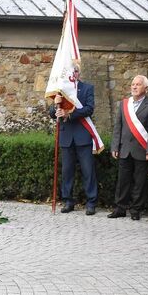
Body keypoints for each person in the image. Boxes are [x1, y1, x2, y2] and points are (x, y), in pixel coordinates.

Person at [109, 74, 148, 220]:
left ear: (146, 88)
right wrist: (115, 146)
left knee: (140, 182)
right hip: (125, 149)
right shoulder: (124, 104)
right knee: (122, 181)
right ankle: (120, 208)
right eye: (133, 84)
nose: (134, 86)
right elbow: (118, 127)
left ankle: (136, 209)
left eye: (138, 84)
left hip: (141, 150)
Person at [49, 75, 98, 215]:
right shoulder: (61, 91)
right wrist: (55, 107)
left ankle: (91, 202)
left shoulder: (87, 88)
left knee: (88, 171)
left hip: (83, 136)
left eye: (75, 71)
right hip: (66, 136)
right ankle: (68, 201)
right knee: (67, 172)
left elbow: (89, 109)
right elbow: (52, 113)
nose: (73, 73)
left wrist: (69, 113)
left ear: (77, 73)